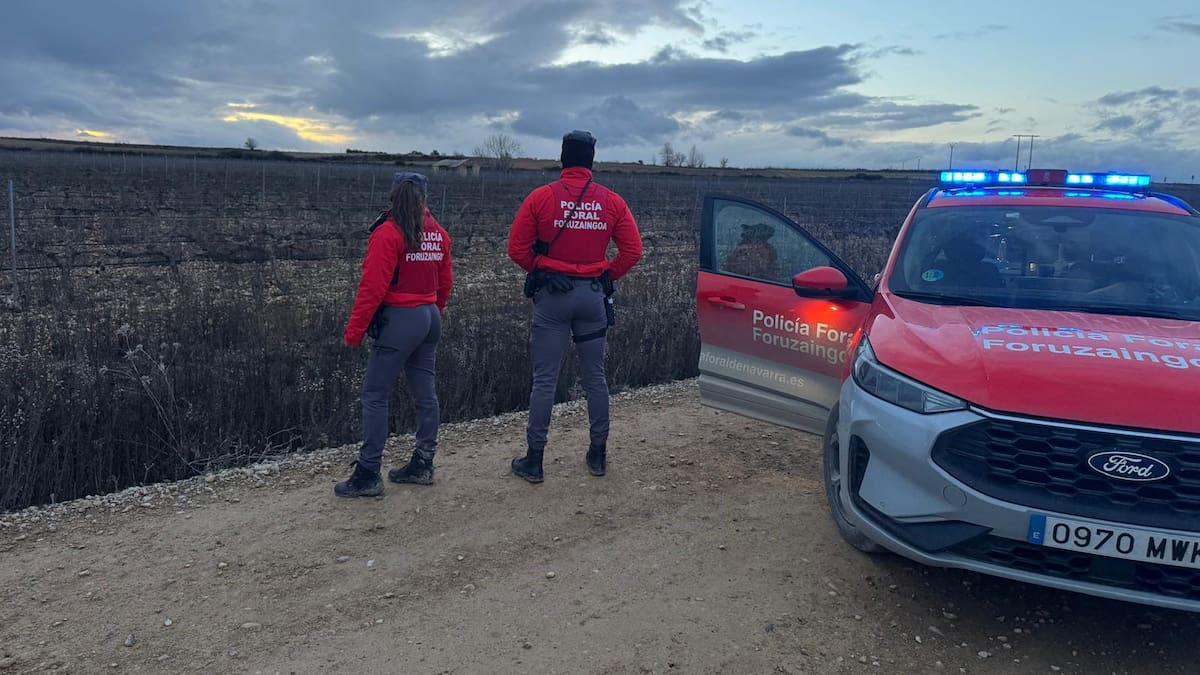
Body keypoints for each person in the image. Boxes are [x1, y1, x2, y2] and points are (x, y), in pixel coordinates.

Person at [506, 130, 643, 483]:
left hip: (553, 298)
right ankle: (598, 455)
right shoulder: (612, 201)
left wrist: (541, 269)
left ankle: (534, 461)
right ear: (591, 161)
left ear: (563, 157)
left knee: (545, 381)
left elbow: (517, 249)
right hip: (592, 297)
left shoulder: (541, 197)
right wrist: (606, 276)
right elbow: (633, 251)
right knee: (595, 378)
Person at [336, 171, 453, 498]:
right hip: (429, 317)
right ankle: (423, 463)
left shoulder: (388, 233)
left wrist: (354, 332)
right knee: (425, 395)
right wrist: (432, 314)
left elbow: (372, 288)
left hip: (400, 319)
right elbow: (446, 284)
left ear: (393, 194)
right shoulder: (438, 233)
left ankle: (369, 473)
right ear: (424, 197)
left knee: (375, 395)